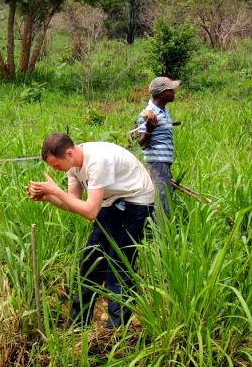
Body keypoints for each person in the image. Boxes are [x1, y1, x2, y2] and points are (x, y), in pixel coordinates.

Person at [27, 133, 155, 328]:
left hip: (136, 201)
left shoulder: (98, 161)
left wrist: (56, 191)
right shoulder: (72, 165)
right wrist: (49, 197)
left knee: (118, 263)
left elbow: (91, 212)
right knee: (91, 261)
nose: (55, 170)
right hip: (113, 202)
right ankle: (78, 323)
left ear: (69, 153)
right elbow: (74, 204)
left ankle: (116, 329)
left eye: (56, 165)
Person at [137, 76, 180, 216]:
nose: (174, 92)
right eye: (171, 90)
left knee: (164, 199)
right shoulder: (148, 114)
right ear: (162, 94)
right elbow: (141, 143)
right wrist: (149, 128)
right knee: (162, 203)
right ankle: (162, 236)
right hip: (157, 163)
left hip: (164, 162)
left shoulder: (164, 112)